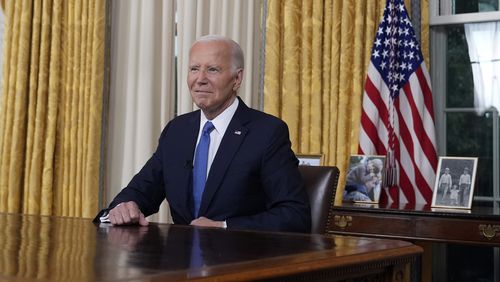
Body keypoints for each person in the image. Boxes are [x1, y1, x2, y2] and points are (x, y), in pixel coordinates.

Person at [94, 35, 311, 233]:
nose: (200, 79)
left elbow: (295, 215)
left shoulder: (267, 132)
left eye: (213, 70)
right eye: (194, 69)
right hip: (178, 265)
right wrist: (125, 206)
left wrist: (224, 226)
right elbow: (142, 190)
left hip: (238, 263)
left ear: (237, 79)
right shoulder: (177, 131)